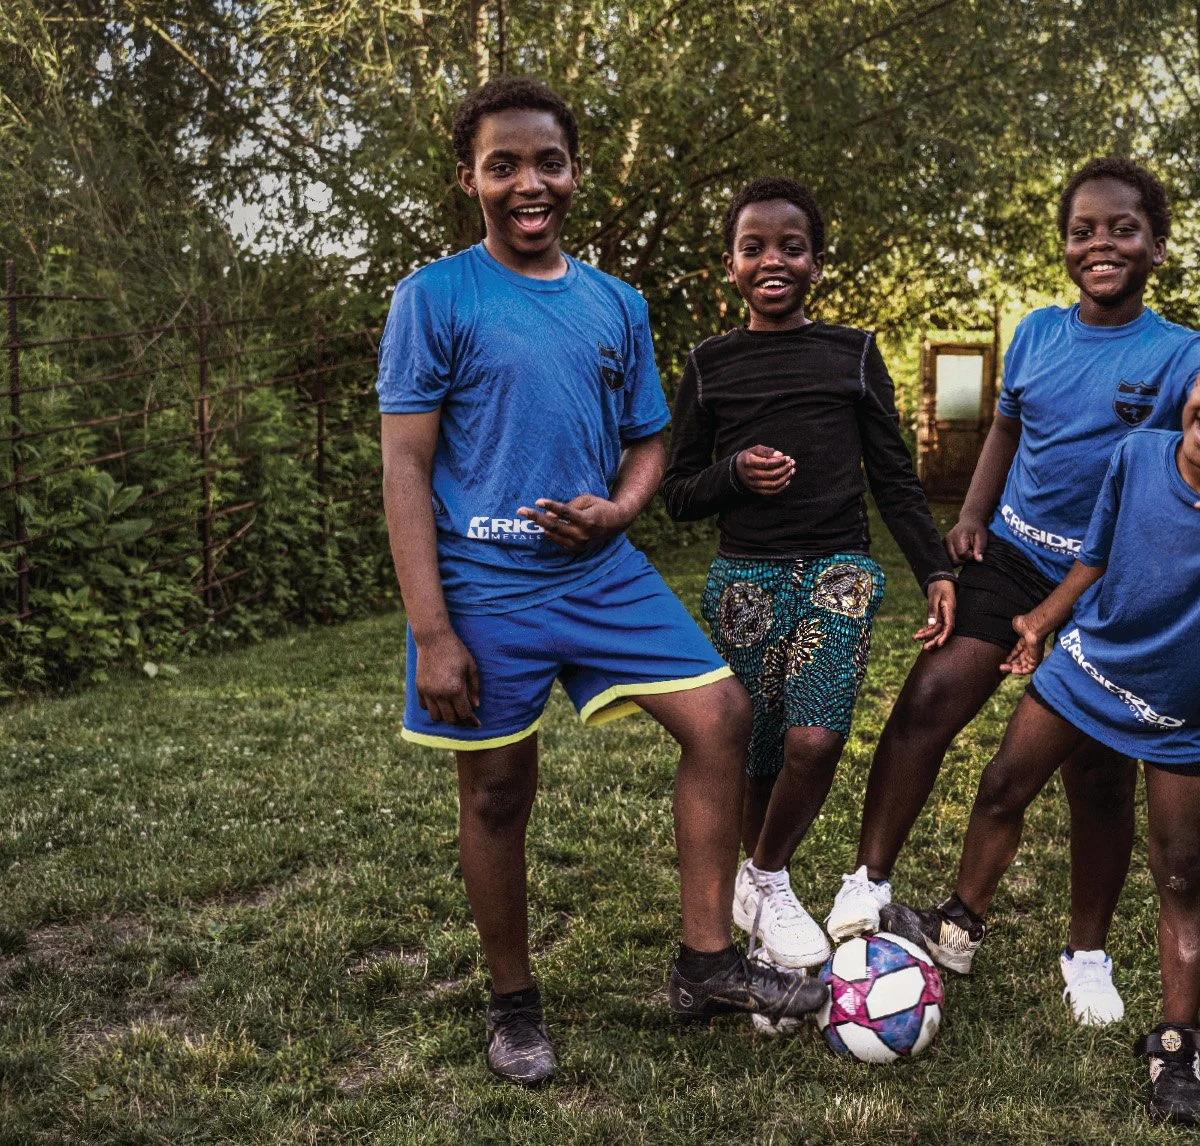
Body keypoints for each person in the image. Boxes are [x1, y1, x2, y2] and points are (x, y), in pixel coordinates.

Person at [376, 79, 825, 1087]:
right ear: (470, 179)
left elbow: (649, 439)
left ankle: (707, 962)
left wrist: (621, 511)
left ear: (574, 172)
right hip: (483, 583)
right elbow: (405, 467)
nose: (528, 183)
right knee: (498, 790)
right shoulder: (435, 298)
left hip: (602, 570)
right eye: (504, 165)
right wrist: (432, 631)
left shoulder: (615, 304)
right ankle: (514, 1002)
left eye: (547, 163)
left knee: (720, 720)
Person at [825, 157, 1200, 1028]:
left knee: (1098, 778)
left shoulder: (1184, 352)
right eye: (1084, 230)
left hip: (1110, 582)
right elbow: (1007, 426)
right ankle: (866, 883)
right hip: (1011, 556)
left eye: (1122, 229)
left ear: (1155, 244)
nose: (1101, 243)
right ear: (1065, 245)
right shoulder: (1037, 332)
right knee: (928, 697)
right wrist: (971, 513)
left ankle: (1086, 956)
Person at [881, 315, 1200, 1126]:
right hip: (1082, 671)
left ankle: (1176, 1047)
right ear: (1197, 378)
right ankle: (959, 928)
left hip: (1179, 723)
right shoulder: (1135, 458)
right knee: (1000, 789)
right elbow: (1092, 557)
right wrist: (1040, 619)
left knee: (1181, 870)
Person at [661, 177, 957, 974]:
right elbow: (677, 492)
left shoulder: (851, 353)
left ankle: (765, 873)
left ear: (817, 264)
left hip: (839, 569)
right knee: (757, 751)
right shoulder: (710, 364)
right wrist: (733, 473)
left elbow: (894, 475)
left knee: (816, 737)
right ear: (730, 266)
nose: (772, 260)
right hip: (745, 581)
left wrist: (935, 567)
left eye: (791, 247)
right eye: (753, 247)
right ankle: (761, 916)